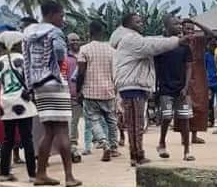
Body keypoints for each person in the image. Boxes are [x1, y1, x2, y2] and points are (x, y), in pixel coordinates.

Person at [23, 1, 81, 187]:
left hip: (39, 85)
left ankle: (41, 174)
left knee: (48, 131)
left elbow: (27, 60)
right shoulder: (54, 32)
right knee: (62, 129)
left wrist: (31, 82)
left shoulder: (29, 33)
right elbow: (58, 52)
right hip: (55, 83)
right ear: (53, 13)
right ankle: (69, 177)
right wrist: (57, 64)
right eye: (61, 15)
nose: (62, 20)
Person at [110, 12, 179, 166]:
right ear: (128, 24)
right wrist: (177, 41)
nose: (141, 23)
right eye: (138, 21)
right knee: (136, 123)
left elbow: (151, 41)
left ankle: (136, 154)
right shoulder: (130, 39)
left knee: (136, 123)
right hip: (132, 86)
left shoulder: (130, 38)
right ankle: (137, 156)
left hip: (134, 86)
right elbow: (151, 45)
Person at [0, 30, 38, 182]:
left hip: (6, 103)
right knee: (27, 139)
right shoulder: (23, 59)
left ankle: (5, 173)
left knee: (8, 139)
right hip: (22, 103)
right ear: (16, 44)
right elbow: (32, 79)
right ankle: (32, 174)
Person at [77, 21, 119, 162]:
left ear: (90, 32)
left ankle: (103, 143)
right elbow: (116, 72)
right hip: (108, 90)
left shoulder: (84, 49)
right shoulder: (112, 50)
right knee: (111, 121)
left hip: (90, 92)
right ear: (103, 32)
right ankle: (113, 147)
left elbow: (81, 73)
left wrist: (78, 90)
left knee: (93, 120)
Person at [154, 17, 195, 161]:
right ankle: (162, 142)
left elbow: (189, 67)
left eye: (180, 24)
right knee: (166, 116)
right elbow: (155, 68)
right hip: (165, 88)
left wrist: (186, 86)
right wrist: (155, 88)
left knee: (185, 119)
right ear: (166, 27)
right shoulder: (160, 45)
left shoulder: (185, 46)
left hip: (181, 89)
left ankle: (187, 150)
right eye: (175, 24)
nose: (179, 26)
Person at [180, 20, 208, 144]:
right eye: (187, 29)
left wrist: (196, 22)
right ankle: (183, 136)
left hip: (198, 75)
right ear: (182, 30)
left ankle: (194, 135)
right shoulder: (179, 42)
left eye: (192, 29)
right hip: (183, 75)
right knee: (184, 106)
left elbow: (211, 34)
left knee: (199, 105)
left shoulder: (198, 40)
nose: (190, 31)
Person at [65, 32, 92, 161]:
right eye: (72, 40)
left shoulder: (85, 54)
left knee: (90, 120)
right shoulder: (65, 58)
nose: (75, 42)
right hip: (72, 94)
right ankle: (73, 145)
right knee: (74, 121)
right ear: (68, 42)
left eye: (77, 40)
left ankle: (89, 145)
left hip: (87, 92)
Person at [205, 37, 217, 126]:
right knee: (209, 102)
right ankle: (210, 120)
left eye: (214, 46)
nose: (212, 47)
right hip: (209, 82)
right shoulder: (206, 55)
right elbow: (204, 67)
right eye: (211, 45)